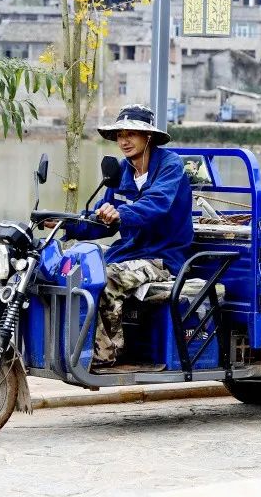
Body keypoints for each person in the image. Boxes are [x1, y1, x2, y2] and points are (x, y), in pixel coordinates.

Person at [63, 104, 193, 368]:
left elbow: (155, 205)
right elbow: (104, 222)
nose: (124, 140)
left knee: (107, 279)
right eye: (120, 134)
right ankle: (76, 346)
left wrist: (121, 214)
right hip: (129, 254)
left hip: (163, 257)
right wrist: (68, 224)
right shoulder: (122, 171)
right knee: (76, 270)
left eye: (131, 134)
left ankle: (108, 352)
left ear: (149, 137)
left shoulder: (170, 166)